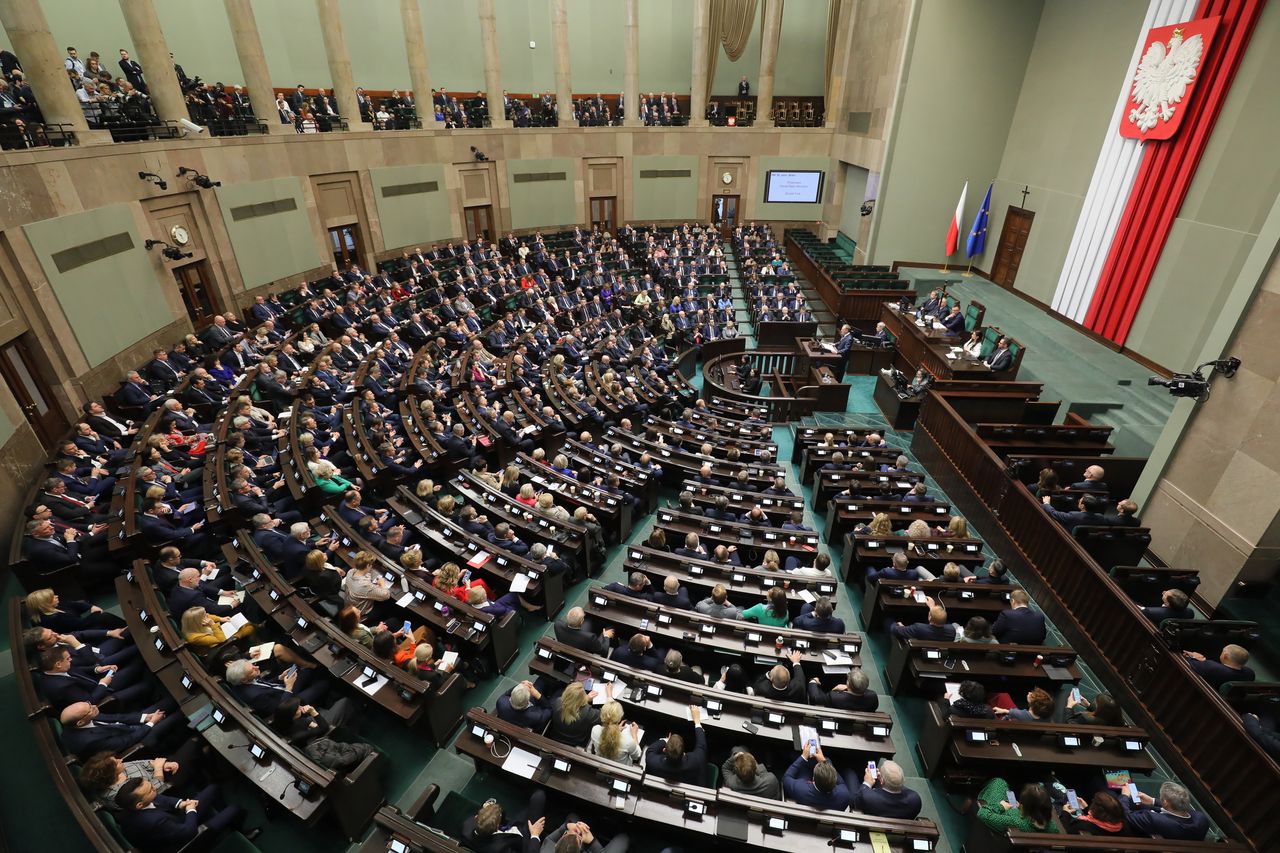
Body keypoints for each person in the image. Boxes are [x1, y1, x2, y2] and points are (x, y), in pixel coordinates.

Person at [114, 777, 247, 852]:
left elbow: (161, 799)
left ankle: (225, 818)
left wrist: (181, 804)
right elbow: (188, 832)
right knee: (235, 809)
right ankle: (239, 829)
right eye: (150, 790)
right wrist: (190, 810)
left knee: (213, 788)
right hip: (180, 842)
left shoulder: (134, 803)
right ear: (139, 805)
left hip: (173, 822)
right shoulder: (153, 821)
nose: (154, 788)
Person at [461, 790, 547, 853]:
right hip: (524, 839)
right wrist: (535, 835)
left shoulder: (467, 826)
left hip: (510, 828)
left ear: (476, 817)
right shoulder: (500, 849)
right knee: (539, 797)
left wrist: (485, 806)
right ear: (497, 827)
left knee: (529, 808)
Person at [1120, 781, 1208, 840]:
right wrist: (1152, 801)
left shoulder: (1153, 819)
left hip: (1148, 838)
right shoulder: (1201, 819)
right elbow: (1178, 808)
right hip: (1178, 841)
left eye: (1161, 798)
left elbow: (1126, 815)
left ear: (1165, 802)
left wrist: (1124, 795)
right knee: (1139, 803)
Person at [644, 706, 706, 784]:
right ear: (684, 753)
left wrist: (666, 740)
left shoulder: (652, 761)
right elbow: (701, 745)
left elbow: (651, 749)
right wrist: (697, 721)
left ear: (664, 750)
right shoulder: (695, 761)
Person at [975, 778, 1059, 834]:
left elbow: (983, 813)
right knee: (1005, 789)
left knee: (998, 783)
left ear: (1025, 808)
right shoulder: (1052, 827)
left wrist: (1001, 806)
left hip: (1002, 814)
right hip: (1015, 811)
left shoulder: (1015, 823)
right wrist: (1019, 808)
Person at [782, 742, 851, 809]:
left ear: (813, 779)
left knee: (803, 765)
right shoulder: (844, 796)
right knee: (828, 759)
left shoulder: (801, 789)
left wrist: (803, 757)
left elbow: (786, 777)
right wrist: (825, 761)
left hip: (806, 795)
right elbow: (842, 783)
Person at [850, 760, 922, 818]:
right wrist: (882, 778)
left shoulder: (867, 797)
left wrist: (867, 783)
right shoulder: (915, 800)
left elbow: (856, 802)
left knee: (849, 773)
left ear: (882, 781)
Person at [589, 700, 641, 765]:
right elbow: (637, 756)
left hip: (600, 763)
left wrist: (615, 730)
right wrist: (634, 735)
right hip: (621, 770)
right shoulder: (628, 741)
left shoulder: (595, 730)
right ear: (619, 719)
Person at [1183, 644, 1255, 690]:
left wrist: (1194, 657)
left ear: (1225, 656)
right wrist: (1204, 661)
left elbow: (1188, 663)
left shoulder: (1214, 668)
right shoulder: (1250, 674)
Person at [548, 682, 599, 747]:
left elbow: (572, 704)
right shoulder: (589, 713)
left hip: (555, 738)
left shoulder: (557, 702)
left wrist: (585, 699)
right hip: (576, 744)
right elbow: (606, 717)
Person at [1059, 789, 1129, 836]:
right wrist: (1087, 809)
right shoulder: (1123, 826)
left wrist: (1065, 813)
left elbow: (1063, 832)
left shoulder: (1082, 826)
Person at [540, 817, 627, 853]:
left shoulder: (546, 850)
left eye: (566, 833)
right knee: (623, 839)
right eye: (579, 836)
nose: (576, 832)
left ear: (556, 845)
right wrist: (592, 842)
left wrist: (566, 826)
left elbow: (549, 840)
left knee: (573, 817)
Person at [807, 668, 879, 711]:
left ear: (848, 684)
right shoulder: (873, 697)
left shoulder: (834, 697)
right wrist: (847, 688)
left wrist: (813, 681)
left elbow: (814, 698)